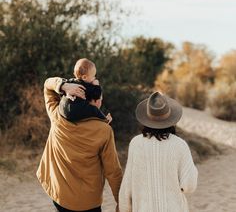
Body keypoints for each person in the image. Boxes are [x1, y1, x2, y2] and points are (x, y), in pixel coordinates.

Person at [36, 74, 122, 212]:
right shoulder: (104, 131)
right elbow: (113, 171)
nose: (101, 102)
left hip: (59, 194)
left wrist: (63, 85)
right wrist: (121, 201)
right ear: (93, 102)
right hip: (88, 203)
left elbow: (48, 86)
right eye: (100, 99)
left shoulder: (57, 115)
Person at [119, 91, 198, 212]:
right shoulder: (180, 145)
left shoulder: (136, 144)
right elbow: (189, 185)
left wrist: (125, 209)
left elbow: (127, 187)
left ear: (146, 119)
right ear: (171, 119)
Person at [58, 58, 111, 123]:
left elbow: (61, 91)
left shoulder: (70, 82)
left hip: (62, 109)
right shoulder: (86, 86)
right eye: (93, 76)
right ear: (84, 77)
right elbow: (97, 95)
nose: (94, 78)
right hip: (73, 111)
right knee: (93, 110)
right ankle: (104, 120)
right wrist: (96, 85)